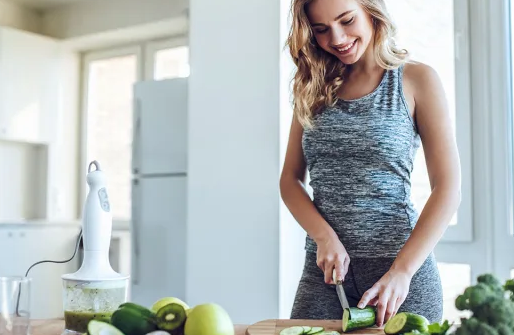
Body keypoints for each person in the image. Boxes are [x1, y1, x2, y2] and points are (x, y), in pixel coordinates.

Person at [279, 0, 462, 327]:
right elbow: (290, 180)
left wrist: (402, 272)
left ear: (371, 12)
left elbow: (448, 188)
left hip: (401, 275)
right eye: (321, 29)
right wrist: (323, 237)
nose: (336, 38)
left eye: (346, 20)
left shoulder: (417, 79)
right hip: (324, 276)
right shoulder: (311, 85)